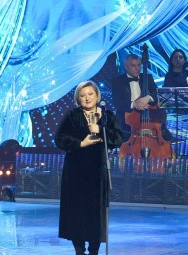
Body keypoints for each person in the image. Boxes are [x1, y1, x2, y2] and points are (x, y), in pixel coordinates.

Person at [55, 81, 124, 255]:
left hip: (97, 172)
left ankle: (94, 251)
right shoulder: (72, 116)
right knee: (76, 211)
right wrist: (81, 143)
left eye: (90, 94)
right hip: (75, 171)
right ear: (78, 98)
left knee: (95, 213)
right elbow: (59, 139)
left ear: (97, 95)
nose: (87, 98)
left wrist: (100, 129)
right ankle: (79, 251)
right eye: (83, 95)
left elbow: (118, 139)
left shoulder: (107, 116)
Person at [110, 53, 160, 140]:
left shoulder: (148, 78)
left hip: (148, 117)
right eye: (133, 66)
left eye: (139, 65)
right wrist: (134, 104)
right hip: (126, 119)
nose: (137, 68)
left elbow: (157, 94)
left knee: (164, 135)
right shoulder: (117, 81)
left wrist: (148, 98)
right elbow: (116, 102)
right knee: (124, 137)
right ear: (126, 67)